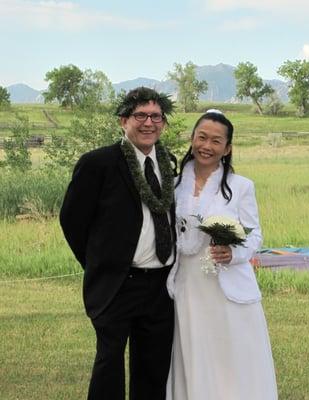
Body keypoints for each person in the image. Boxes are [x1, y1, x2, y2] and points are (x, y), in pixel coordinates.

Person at [60, 87, 177, 400]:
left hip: (160, 286)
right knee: (109, 364)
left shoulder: (168, 162)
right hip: (117, 283)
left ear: (163, 123)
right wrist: (100, 263)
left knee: (153, 367)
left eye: (155, 116)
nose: (148, 123)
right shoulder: (98, 163)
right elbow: (72, 221)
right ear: (123, 121)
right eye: (140, 115)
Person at [165, 110, 278, 399]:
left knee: (232, 352)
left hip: (226, 283)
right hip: (188, 285)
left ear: (227, 148)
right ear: (191, 139)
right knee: (195, 350)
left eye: (216, 141)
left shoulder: (241, 187)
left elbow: (254, 235)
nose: (207, 145)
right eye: (202, 137)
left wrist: (233, 252)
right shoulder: (173, 185)